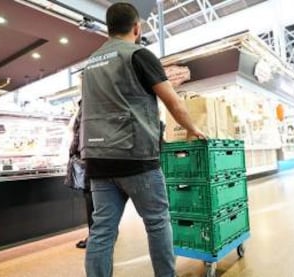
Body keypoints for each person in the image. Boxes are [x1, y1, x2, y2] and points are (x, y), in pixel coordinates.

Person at [80, 3, 205, 277]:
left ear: (109, 28)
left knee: (101, 230)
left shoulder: (89, 64)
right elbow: (173, 101)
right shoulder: (138, 55)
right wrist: (193, 128)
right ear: (137, 28)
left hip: (98, 159)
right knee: (157, 222)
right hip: (135, 157)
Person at [66, 101, 94, 249]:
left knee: (91, 200)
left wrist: (73, 152)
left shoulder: (87, 103)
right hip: (94, 156)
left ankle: (94, 237)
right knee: (98, 200)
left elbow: (80, 133)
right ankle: (100, 235)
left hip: (87, 159)